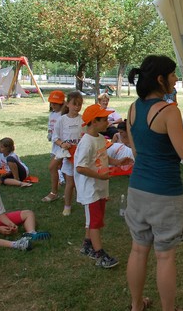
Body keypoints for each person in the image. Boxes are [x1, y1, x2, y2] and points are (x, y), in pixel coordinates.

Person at [125, 55, 183, 311]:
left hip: (137, 190)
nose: (176, 79)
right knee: (164, 256)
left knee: (138, 250)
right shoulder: (169, 111)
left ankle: (135, 305)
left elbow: (136, 151)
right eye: (173, 75)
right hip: (164, 193)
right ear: (160, 79)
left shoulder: (133, 108)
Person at [76, 104, 132, 268]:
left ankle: (87, 245)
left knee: (96, 219)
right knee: (94, 222)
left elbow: (103, 157)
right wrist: (100, 175)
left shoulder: (100, 138)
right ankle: (100, 255)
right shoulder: (86, 142)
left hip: (99, 186)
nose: (108, 121)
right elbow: (80, 167)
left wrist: (117, 162)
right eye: (104, 119)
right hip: (90, 188)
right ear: (94, 122)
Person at [52, 91, 84, 216]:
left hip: (81, 155)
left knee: (82, 180)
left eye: (79, 104)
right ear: (67, 104)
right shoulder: (61, 120)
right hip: (68, 155)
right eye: (74, 104)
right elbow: (55, 137)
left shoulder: (83, 120)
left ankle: (83, 200)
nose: (77, 107)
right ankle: (67, 206)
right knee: (70, 182)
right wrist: (62, 144)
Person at [42, 90, 65, 202]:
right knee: (61, 169)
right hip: (55, 146)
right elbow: (50, 127)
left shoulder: (64, 115)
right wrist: (49, 134)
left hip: (63, 146)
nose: (53, 105)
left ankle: (54, 192)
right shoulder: (52, 114)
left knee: (53, 167)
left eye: (55, 103)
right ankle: (68, 191)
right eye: (51, 103)